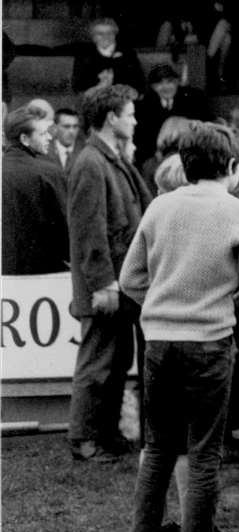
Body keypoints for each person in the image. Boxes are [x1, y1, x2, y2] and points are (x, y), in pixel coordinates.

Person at [120, 122, 239, 532]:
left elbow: (130, 279)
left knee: (159, 446)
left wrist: (165, 306)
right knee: (204, 451)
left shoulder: (160, 207)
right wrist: (220, 305)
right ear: (231, 165)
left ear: (183, 165)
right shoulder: (236, 210)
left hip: (159, 342)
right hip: (209, 342)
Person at [66, 84, 153, 463]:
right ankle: (83, 438)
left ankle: (107, 433)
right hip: (108, 285)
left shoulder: (109, 159)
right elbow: (89, 230)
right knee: (98, 362)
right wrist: (103, 283)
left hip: (121, 284)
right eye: (130, 113)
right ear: (111, 117)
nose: (134, 119)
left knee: (117, 361)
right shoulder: (91, 162)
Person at [2, 107, 68, 274]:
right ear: (25, 139)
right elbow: (66, 227)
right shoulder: (49, 173)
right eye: (43, 133)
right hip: (44, 273)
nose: (50, 137)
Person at [71, 18, 145, 95]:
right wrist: (99, 86)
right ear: (93, 37)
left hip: (123, 97)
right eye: (100, 33)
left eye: (109, 33)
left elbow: (139, 83)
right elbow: (78, 88)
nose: (105, 36)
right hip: (95, 99)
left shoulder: (128, 53)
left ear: (115, 34)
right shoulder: (84, 55)